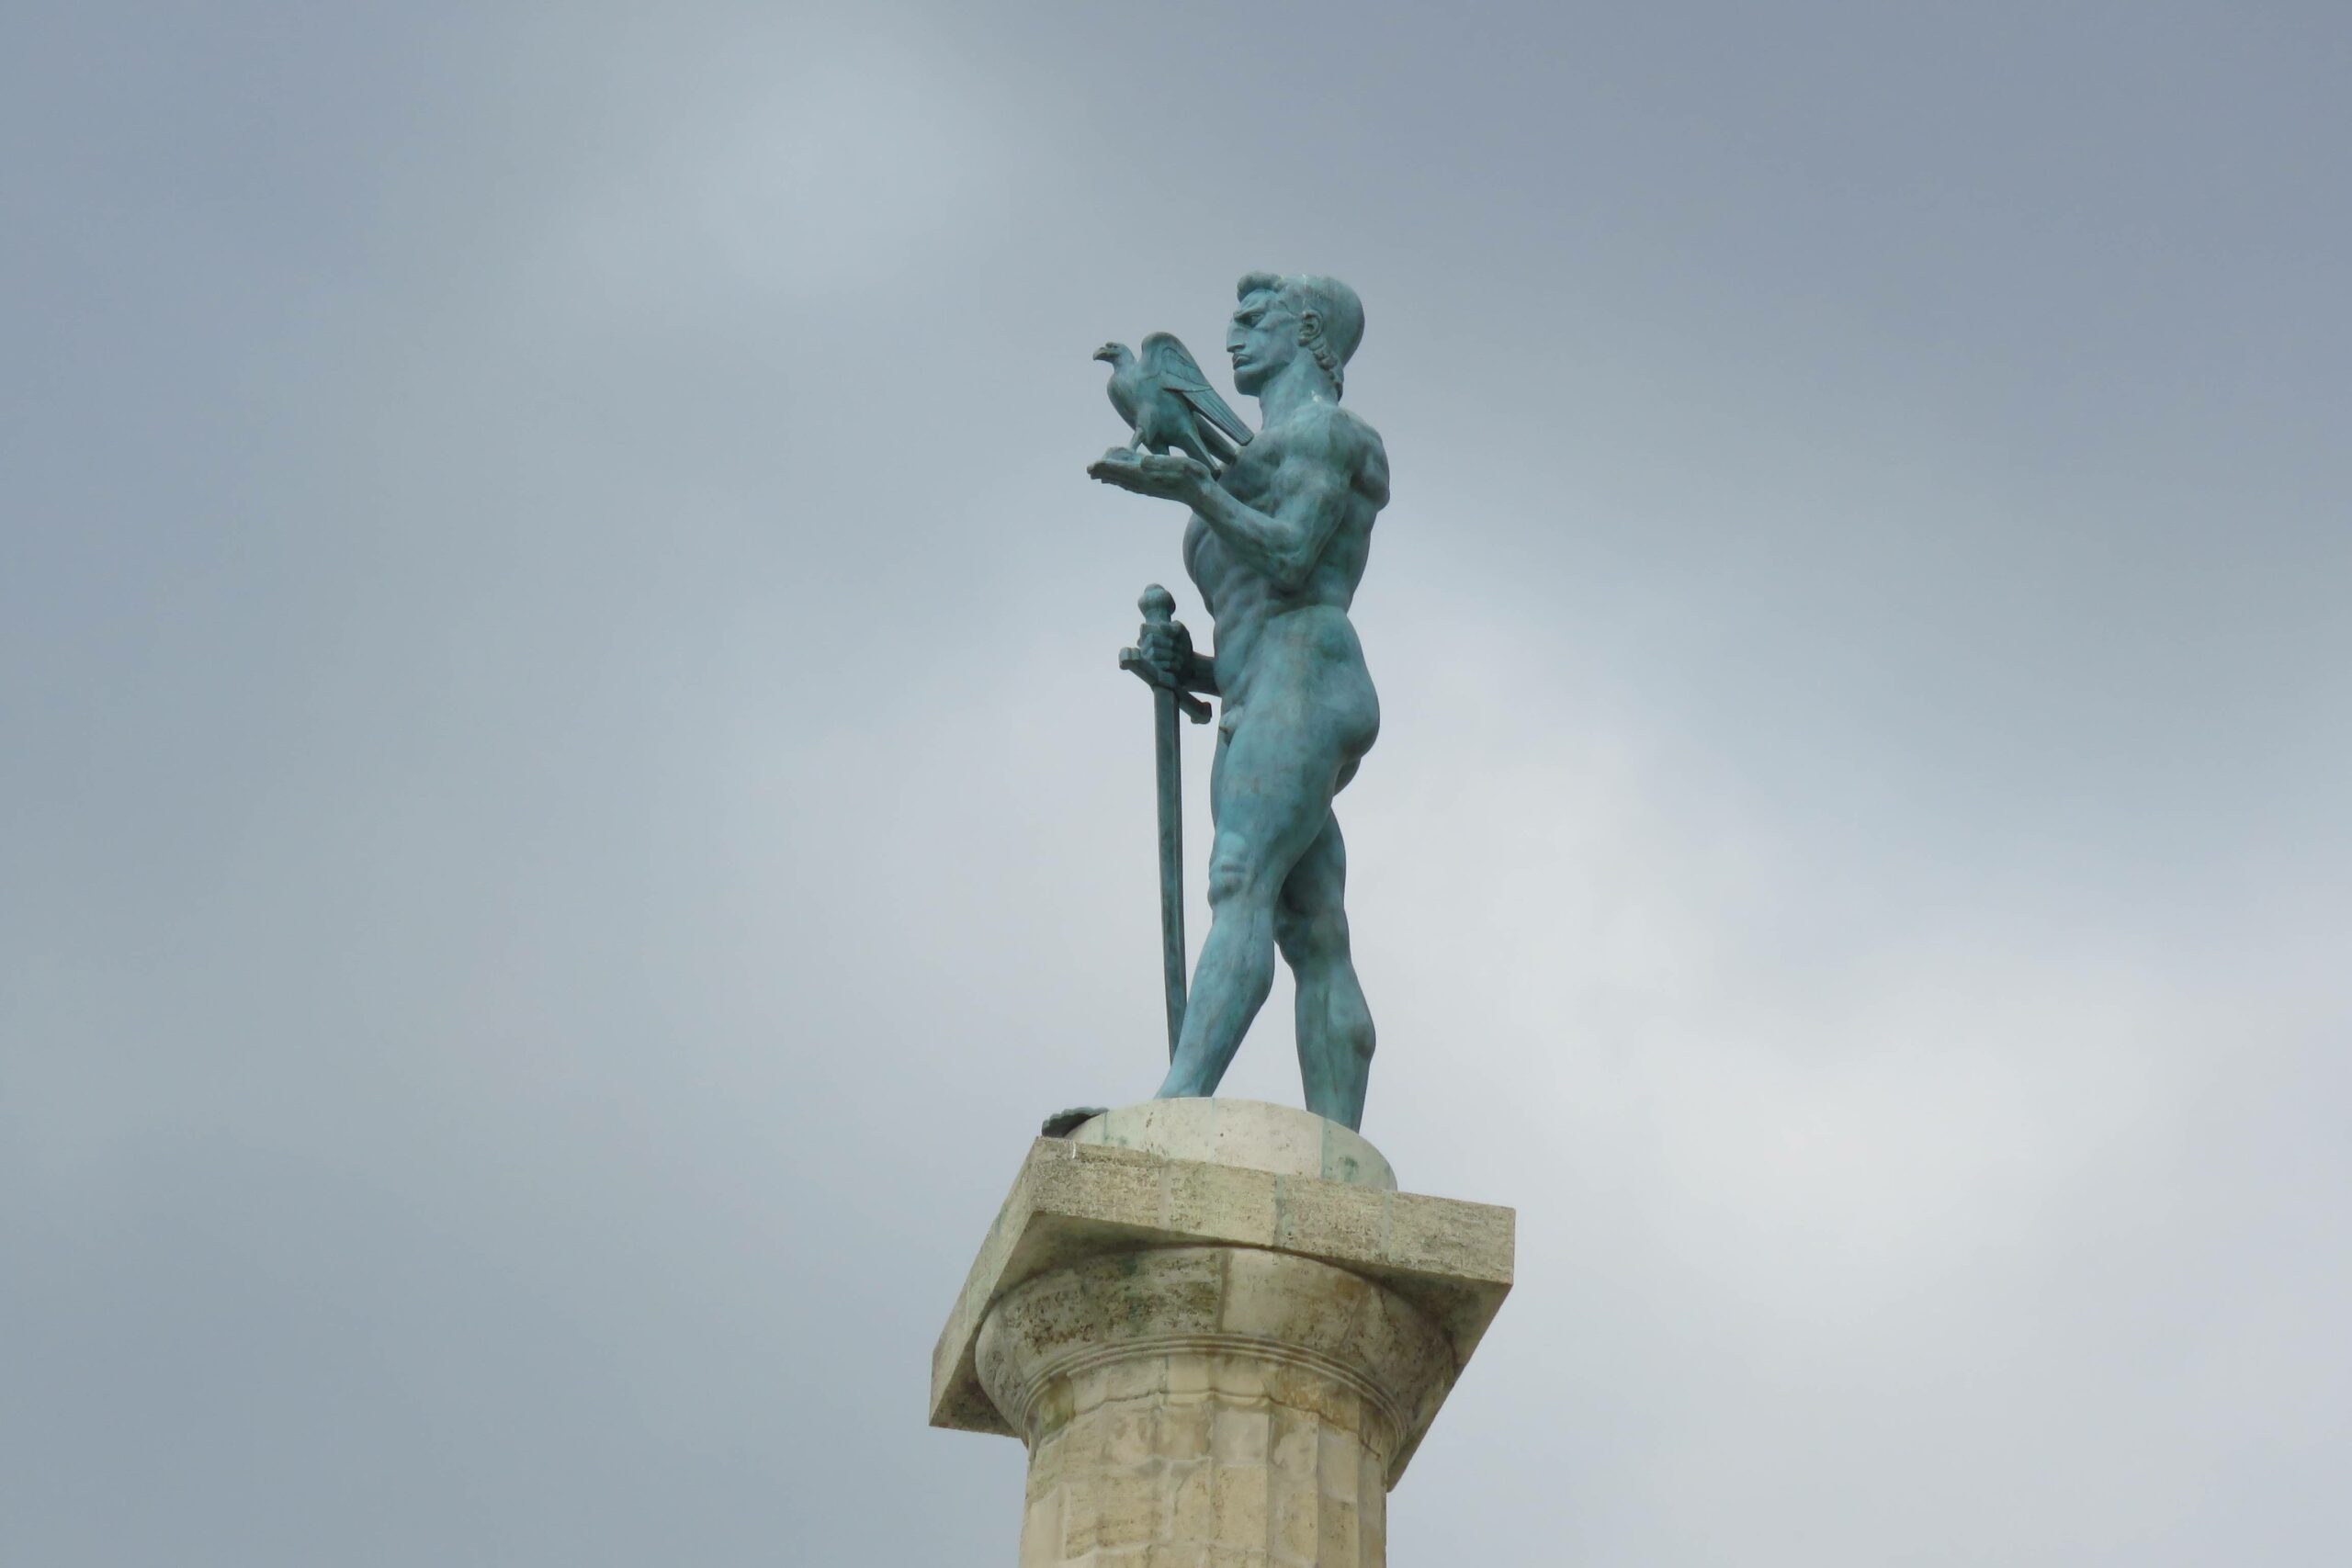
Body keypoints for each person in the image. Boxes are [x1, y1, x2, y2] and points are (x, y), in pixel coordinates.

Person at [1087, 272, 1390, 1131]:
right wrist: (1189, 665)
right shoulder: (1252, 458)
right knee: (1312, 925)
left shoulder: (1329, 434)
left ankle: (1178, 1103)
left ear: (1308, 331)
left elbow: (1294, 560)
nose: (1232, 336)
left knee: (1238, 877)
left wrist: (1193, 490)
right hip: (1261, 692)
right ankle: (1340, 1152)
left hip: (1310, 673)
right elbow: (1253, 628)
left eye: (1255, 320)